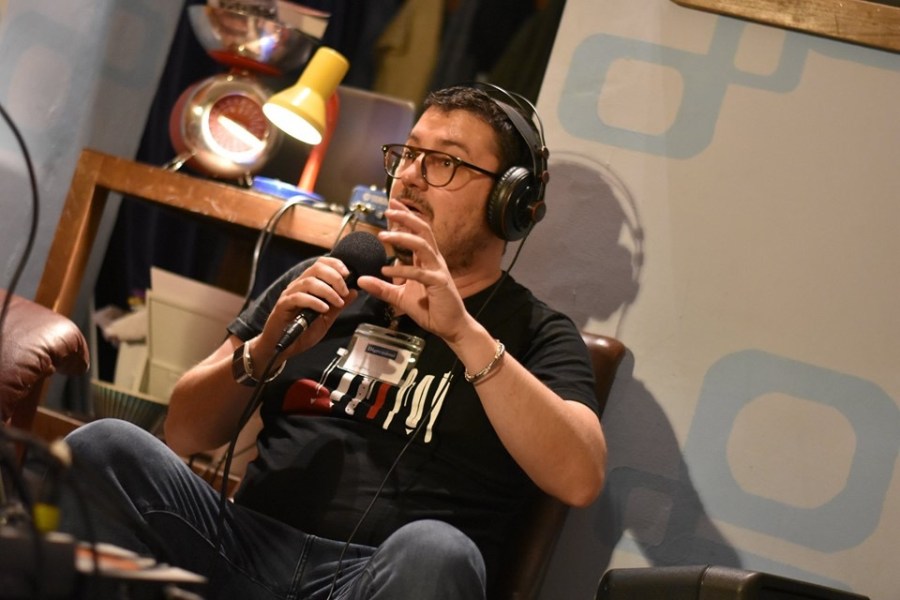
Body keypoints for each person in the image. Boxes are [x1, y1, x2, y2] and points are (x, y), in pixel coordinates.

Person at [59, 84, 607, 599]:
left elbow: (580, 478)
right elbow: (184, 431)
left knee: (436, 550)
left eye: (444, 162)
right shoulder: (329, 279)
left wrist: (463, 334)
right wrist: (264, 350)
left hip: (382, 579)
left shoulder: (535, 331)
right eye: (408, 154)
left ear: (508, 201)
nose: (410, 177)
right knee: (106, 446)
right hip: (245, 547)